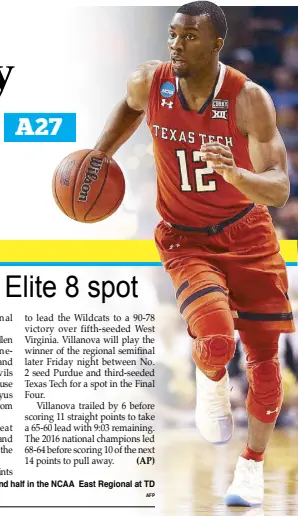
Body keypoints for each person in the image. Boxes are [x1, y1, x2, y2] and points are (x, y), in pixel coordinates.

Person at [95, 0, 295, 507]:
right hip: (185, 236)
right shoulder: (150, 81)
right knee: (213, 335)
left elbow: (278, 190)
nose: (176, 44)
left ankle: (249, 469)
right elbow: (129, 107)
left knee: (267, 367)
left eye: (189, 36)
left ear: (215, 44)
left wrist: (238, 176)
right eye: (173, 33)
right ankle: (211, 382)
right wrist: (101, 154)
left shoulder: (249, 99)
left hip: (246, 234)